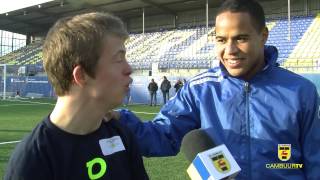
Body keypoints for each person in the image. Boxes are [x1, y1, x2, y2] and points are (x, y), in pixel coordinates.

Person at [116, 0, 320, 179]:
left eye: (241, 38)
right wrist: (117, 119)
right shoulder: (200, 89)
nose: (230, 50)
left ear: (263, 36)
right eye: (221, 40)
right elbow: (161, 137)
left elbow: (315, 161)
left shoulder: (301, 90)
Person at [5, 12, 148, 180]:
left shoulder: (121, 134)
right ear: (81, 76)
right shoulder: (33, 160)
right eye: (119, 58)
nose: (129, 68)